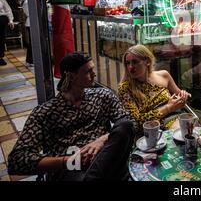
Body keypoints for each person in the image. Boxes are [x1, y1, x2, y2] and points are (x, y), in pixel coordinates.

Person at [7, 52, 135, 181]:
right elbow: (17, 160)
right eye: (88, 71)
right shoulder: (45, 112)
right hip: (70, 169)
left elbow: (126, 122)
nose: (94, 74)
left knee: (126, 125)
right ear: (71, 76)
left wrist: (101, 140)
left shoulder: (102, 95)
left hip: (105, 154)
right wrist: (68, 160)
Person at [117, 44, 191, 132]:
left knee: (191, 129)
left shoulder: (164, 75)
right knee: (183, 131)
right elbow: (137, 122)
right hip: (153, 127)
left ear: (147, 61)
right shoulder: (125, 88)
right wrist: (168, 107)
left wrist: (184, 95)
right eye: (127, 63)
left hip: (176, 116)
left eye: (135, 62)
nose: (130, 67)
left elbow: (180, 96)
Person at [0, 0, 15, 66]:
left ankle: (0, 57)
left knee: (1, 39)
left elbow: (8, 10)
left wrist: (11, 20)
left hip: (1, 20)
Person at [22, 0, 33, 66]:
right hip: (31, 23)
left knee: (33, 43)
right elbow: (29, 13)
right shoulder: (27, 2)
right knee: (32, 43)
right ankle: (30, 60)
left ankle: (30, 60)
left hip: (33, 23)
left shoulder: (29, 1)